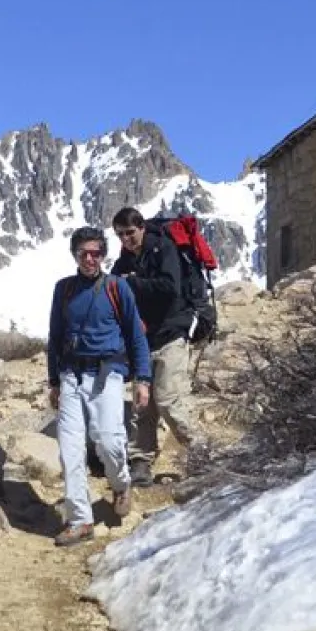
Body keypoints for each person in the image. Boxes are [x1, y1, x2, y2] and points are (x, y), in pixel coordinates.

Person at [47, 226, 151, 547]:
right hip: (70, 377)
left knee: (108, 441)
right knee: (70, 450)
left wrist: (142, 380)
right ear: (74, 255)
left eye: (96, 253)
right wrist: (53, 381)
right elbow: (55, 337)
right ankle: (80, 520)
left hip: (107, 376)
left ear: (104, 255)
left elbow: (136, 336)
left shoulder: (117, 288)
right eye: (83, 253)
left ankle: (120, 484)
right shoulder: (63, 290)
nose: (90, 259)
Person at [111, 206, 197, 487]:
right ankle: (140, 462)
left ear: (142, 228)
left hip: (172, 333)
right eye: (120, 235)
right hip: (142, 340)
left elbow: (170, 287)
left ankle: (202, 452)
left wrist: (133, 284)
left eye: (130, 233)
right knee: (142, 404)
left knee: (169, 399)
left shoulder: (164, 249)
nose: (126, 239)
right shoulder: (123, 262)